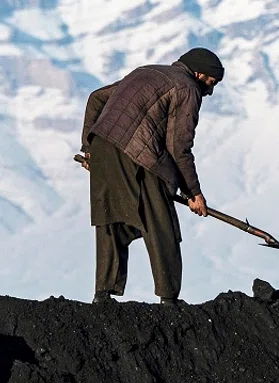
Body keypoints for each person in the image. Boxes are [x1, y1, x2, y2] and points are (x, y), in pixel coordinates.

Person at [79, 47, 224, 305]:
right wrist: (193, 192)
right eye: (211, 84)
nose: (210, 91)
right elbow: (179, 146)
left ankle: (103, 295)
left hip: (103, 147)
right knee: (161, 223)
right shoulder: (188, 88)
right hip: (139, 155)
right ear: (199, 74)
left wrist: (90, 149)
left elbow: (96, 98)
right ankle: (169, 299)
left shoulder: (146, 71)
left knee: (111, 220)